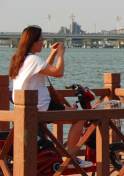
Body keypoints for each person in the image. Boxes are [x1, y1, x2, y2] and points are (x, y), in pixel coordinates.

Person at [9, 25, 90, 168]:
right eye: (41, 39)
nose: (43, 42)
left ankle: (36, 172)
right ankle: (72, 158)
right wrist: (60, 54)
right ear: (34, 42)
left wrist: (52, 53)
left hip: (27, 108)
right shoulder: (33, 59)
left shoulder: (20, 58)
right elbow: (58, 72)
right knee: (80, 117)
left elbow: (44, 69)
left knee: (41, 141)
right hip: (41, 106)